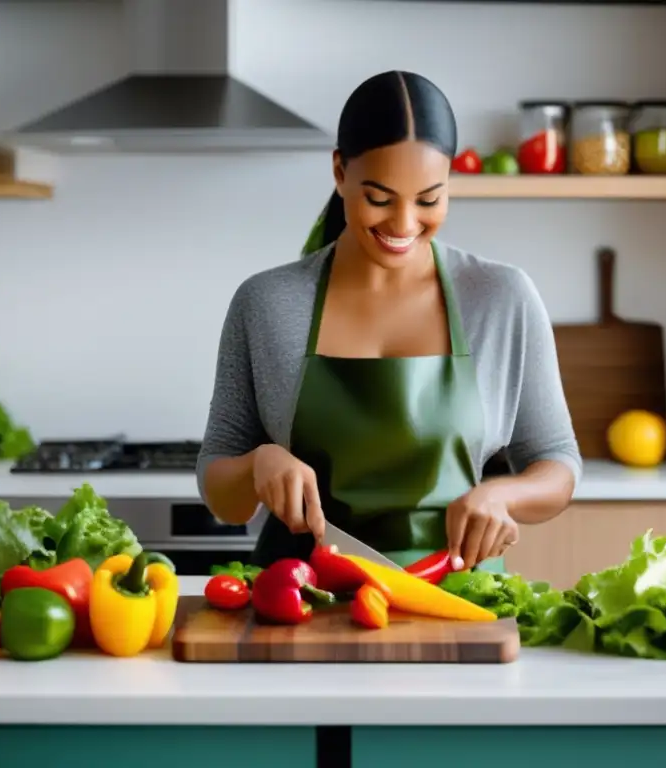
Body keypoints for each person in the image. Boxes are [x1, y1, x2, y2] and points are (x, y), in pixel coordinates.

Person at [197, 70, 581, 574]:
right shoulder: (266, 302)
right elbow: (221, 487)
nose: (403, 225)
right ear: (339, 172)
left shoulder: (501, 297)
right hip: (300, 600)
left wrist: (504, 494)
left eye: (429, 200)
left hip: (455, 601)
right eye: (379, 198)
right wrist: (257, 464)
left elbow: (557, 462)